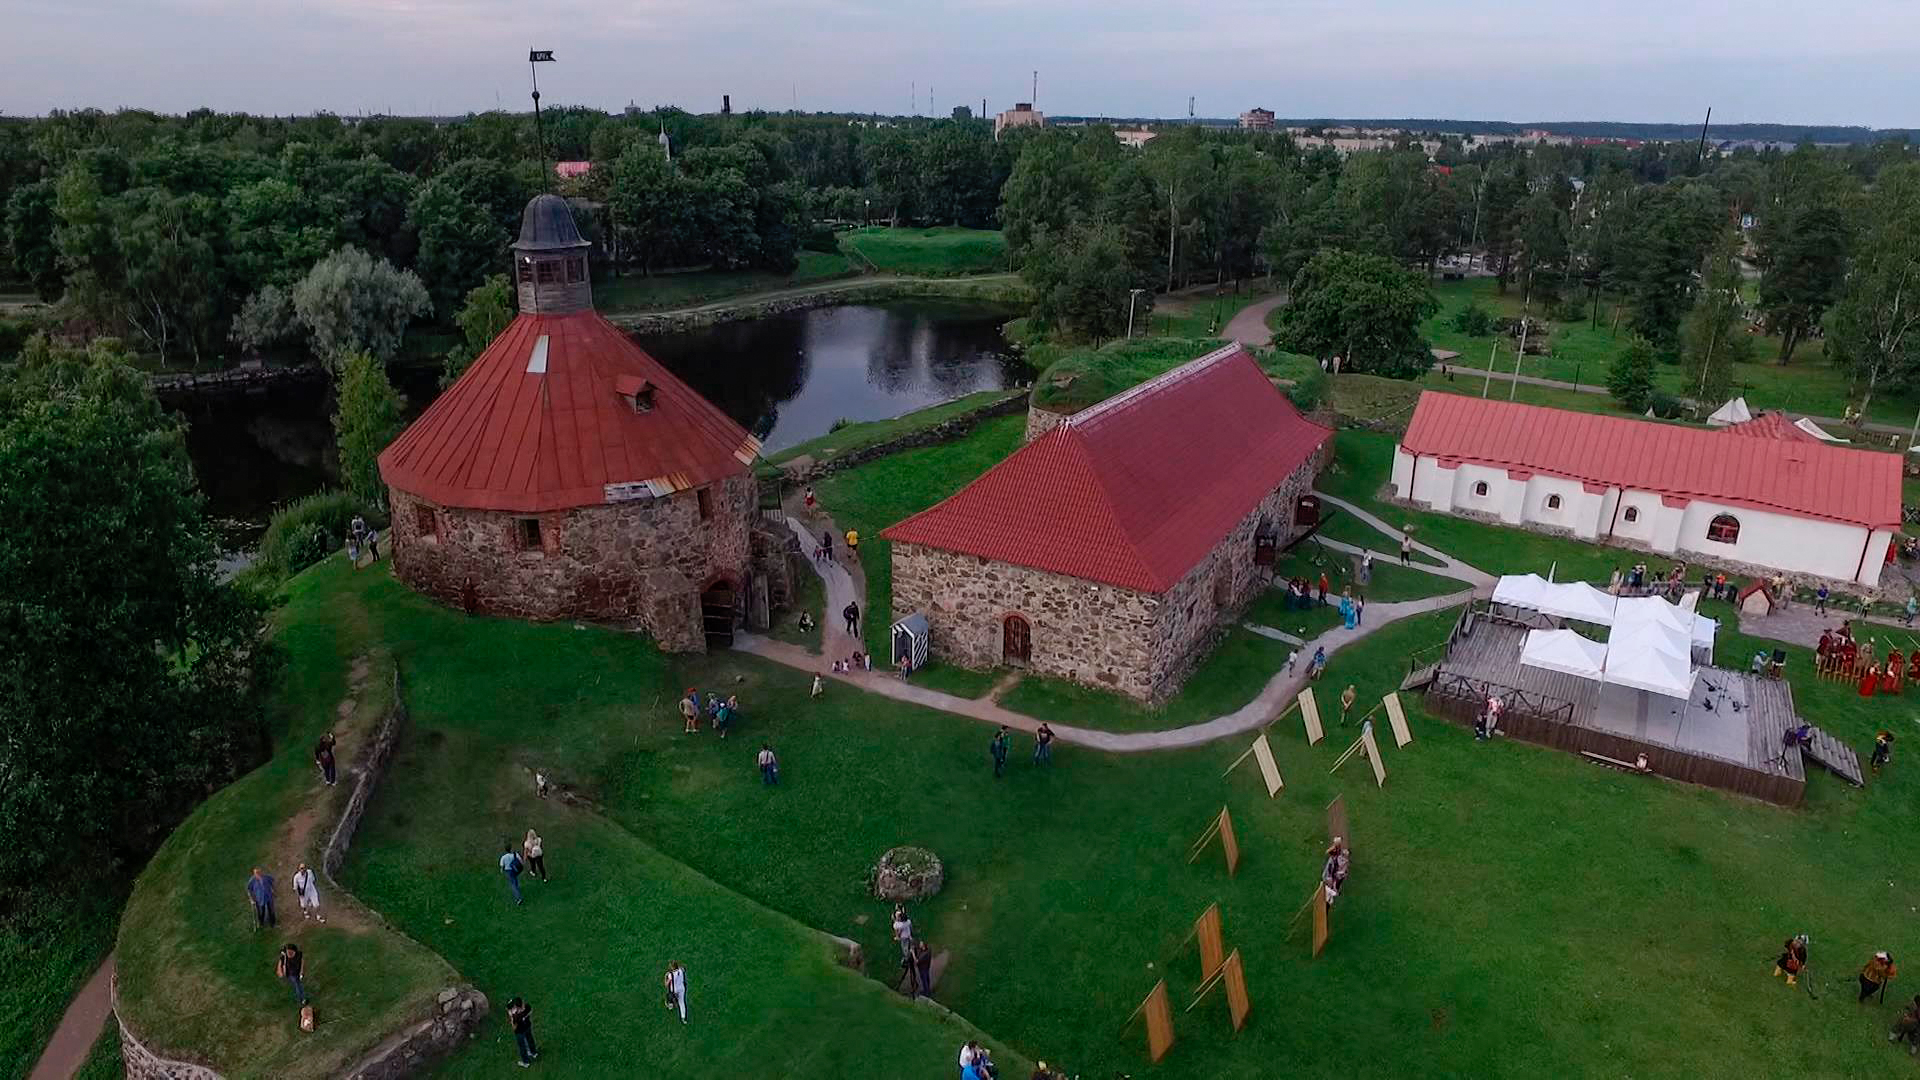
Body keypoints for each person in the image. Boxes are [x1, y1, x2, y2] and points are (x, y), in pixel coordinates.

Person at [507, 996, 539, 1067]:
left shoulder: (516, 1017)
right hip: (527, 1027)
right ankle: (533, 1053)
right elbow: (530, 1012)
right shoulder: (527, 1008)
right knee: (530, 1039)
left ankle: (526, 1062)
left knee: (522, 1046)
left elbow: (514, 1028)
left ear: (517, 1007)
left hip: (520, 1032)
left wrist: (511, 1017)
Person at [501, 841, 525, 906]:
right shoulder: (515, 854)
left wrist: (502, 871)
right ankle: (517, 888)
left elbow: (502, 866)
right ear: (511, 848)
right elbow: (521, 861)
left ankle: (518, 898)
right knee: (515, 880)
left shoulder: (504, 857)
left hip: (509, 871)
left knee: (513, 884)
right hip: (515, 870)